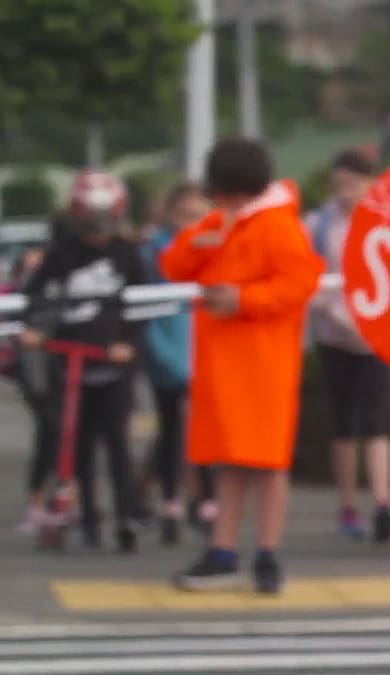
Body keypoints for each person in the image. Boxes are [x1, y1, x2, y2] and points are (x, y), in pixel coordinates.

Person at [162, 137, 323, 594]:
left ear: (233, 189)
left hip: (264, 363)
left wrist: (244, 299)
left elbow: (299, 282)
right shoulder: (223, 222)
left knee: (268, 464)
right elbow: (173, 265)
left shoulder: (279, 226)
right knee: (231, 461)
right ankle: (224, 550)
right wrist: (201, 243)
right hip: (225, 363)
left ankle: (267, 553)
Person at [19, 170, 145, 552]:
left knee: (118, 442)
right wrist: (36, 330)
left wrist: (128, 343)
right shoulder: (63, 253)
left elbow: (143, 305)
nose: (98, 235)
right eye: (91, 227)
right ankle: (89, 516)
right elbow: (35, 294)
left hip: (114, 364)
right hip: (72, 362)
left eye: (105, 226)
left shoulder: (127, 254)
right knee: (79, 443)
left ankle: (126, 515)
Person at [306, 149, 390, 543]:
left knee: (376, 421)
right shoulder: (318, 224)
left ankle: (383, 503)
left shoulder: (389, 220)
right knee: (343, 423)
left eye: (354, 182)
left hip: (377, 337)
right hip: (334, 333)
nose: (346, 190)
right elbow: (308, 275)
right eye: (340, 182)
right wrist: (333, 311)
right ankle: (347, 506)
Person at [140, 180, 214, 545]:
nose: (190, 222)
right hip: (167, 345)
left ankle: (206, 499)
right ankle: (170, 499)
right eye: (184, 214)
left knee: (204, 428)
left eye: (198, 215)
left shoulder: (213, 247)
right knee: (171, 427)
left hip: (203, 347)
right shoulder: (155, 251)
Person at [8, 246, 57, 536]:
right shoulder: (30, 295)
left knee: (71, 437)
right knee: (51, 431)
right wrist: (37, 382)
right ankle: (37, 503)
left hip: (65, 370)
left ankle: (62, 502)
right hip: (39, 373)